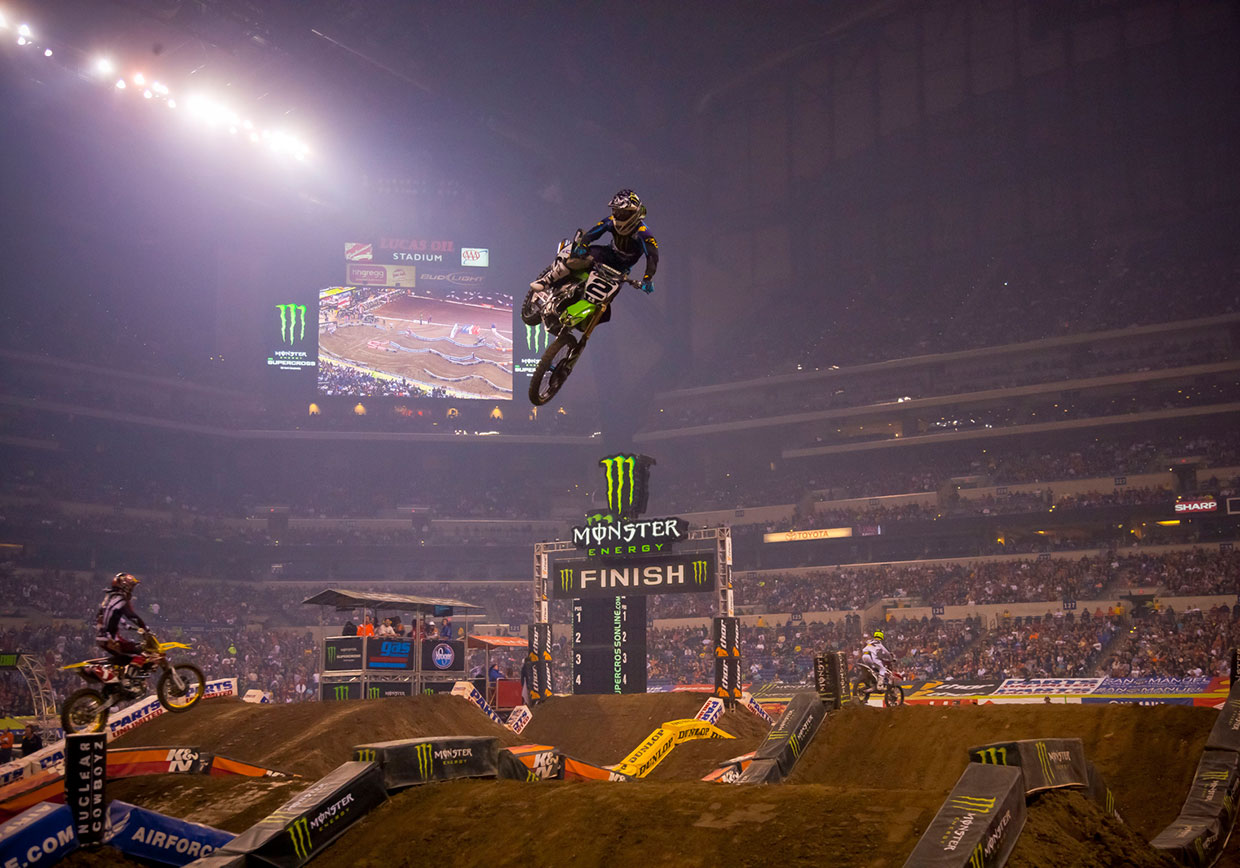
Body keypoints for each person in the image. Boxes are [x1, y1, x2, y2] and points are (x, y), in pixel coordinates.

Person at [527, 189, 659, 315]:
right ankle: (546, 281)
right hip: (608, 254)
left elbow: (652, 257)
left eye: (621, 212)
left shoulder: (644, 233)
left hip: (622, 269)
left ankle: (579, 330)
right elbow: (594, 232)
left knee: (605, 301)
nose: (616, 215)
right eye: (615, 211)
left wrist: (647, 278)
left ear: (632, 213)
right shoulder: (611, 221)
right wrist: (583, 245)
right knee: (579, 259)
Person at [93, 572, 148, 686]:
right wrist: (145, 628)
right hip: (111, 640)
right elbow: (132, 616)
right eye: (131, 587)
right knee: (141, 654)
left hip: (101, 638)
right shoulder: (121, 600)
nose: (132, 590)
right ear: (125, 586)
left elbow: (112, 616)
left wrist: (128, 627)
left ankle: (118, 681)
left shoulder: (108, 598)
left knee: (125, 657)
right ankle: (128, 681)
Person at [857, 630, 894, 697]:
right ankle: (880, 685)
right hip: (871, 657)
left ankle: (873, 683)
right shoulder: (879, 644)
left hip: (864, 656)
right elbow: (886, 653)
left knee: (874, 670)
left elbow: (877, 653)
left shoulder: (870, 642)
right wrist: (891, 658)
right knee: (882, 668)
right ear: (881, 637)